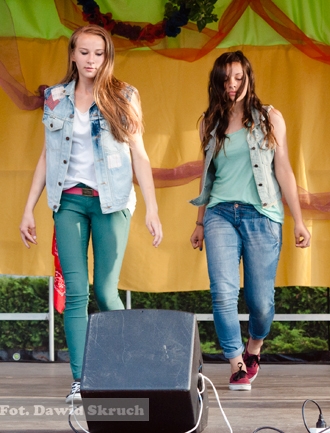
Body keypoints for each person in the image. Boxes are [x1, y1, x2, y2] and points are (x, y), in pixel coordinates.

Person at [18, 25, 163, 404]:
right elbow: (47, 156)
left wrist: (152, 208)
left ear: (107, 57)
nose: (91, 60)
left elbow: (140, 155)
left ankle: (128, 370)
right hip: (68, 202)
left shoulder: (125, 96)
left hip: (112, 202)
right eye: (84, 52)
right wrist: (28, 208)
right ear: (72, 54)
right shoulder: (54, 98)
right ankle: (82, 380)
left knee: (105, 290)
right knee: (76, 293)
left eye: (98, 53)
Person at [190, 51, 311, 391]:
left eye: (238, 78)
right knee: (222, 293)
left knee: (260, 301)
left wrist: (299, 220)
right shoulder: (209, 123)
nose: (232, 84)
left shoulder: (270, 117)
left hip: (262, 214)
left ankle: (254, 346)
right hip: (219, 214)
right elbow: (206, 177)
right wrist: (199, 222)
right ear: (217, 81)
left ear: (248, 78)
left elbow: (283, 170)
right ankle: (236, 363)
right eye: (225, 78)